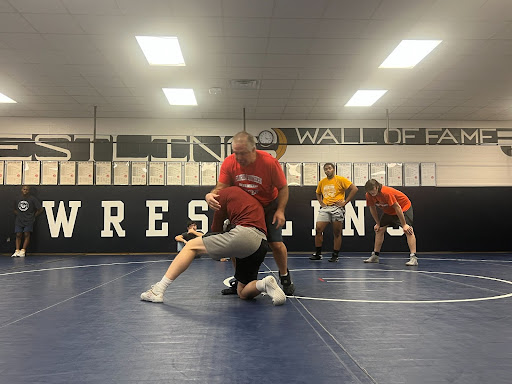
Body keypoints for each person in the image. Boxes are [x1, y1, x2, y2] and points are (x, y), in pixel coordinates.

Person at [140, 186, 286, 306]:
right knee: (242, 291)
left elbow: (216, 231)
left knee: (191, 246)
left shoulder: (221, 196)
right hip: (260, 243)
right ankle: (264, 284)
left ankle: (158, 290)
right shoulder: (249, 198)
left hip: (243, 235)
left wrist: (216, 249)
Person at [205, 131, 295, 296]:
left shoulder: (269, 162)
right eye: (235, 152)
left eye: (243, 153)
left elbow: (283, 188)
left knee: (275, 243)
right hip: (245, 209)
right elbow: (221, 188)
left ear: (254, 149)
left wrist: (280, 210)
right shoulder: (229, 162)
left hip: (268, 206)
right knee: (235, 244)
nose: (238, 157)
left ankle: (285, 277)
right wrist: (210, 195)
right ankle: (240, 279)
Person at [310, 163, 358, 262]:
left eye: (329, 168)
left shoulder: (340, 179)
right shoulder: (322, 182)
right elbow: (318, 193)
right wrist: (321, 203)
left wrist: (345, 202)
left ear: (333, 169)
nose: (327, 170)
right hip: (326, 208)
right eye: (326, 169)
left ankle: (335, 255)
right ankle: (318, 253)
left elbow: (354, 189)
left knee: (336, 232)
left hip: (337, 208)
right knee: (318, 229)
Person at [363, 179, 418, 266]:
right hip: (389, 210)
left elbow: (397, 207)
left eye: (373, 191)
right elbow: (372, 208)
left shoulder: (386, 192)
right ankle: (375, 256)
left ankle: (413, 258)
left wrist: (404, 224)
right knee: (379, 229)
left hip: (403, 207)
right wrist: (378, 223)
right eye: (370, 192)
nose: (372, 194)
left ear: (377, 187)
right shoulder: (369, 195)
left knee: (408, 230)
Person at [12, 185, 43, 257]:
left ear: (29, 191)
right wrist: (19, 214)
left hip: (29, 220)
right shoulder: (17, 198)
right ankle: (17, 250)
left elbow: (40, 209)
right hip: (19, 220)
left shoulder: (32, 199)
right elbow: (13, 209)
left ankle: (23, 250)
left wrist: (33, 216)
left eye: (27, 189)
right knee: (18, 234)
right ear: (21, 190)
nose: (25, 191)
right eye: (24, 189)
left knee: (26, 234)